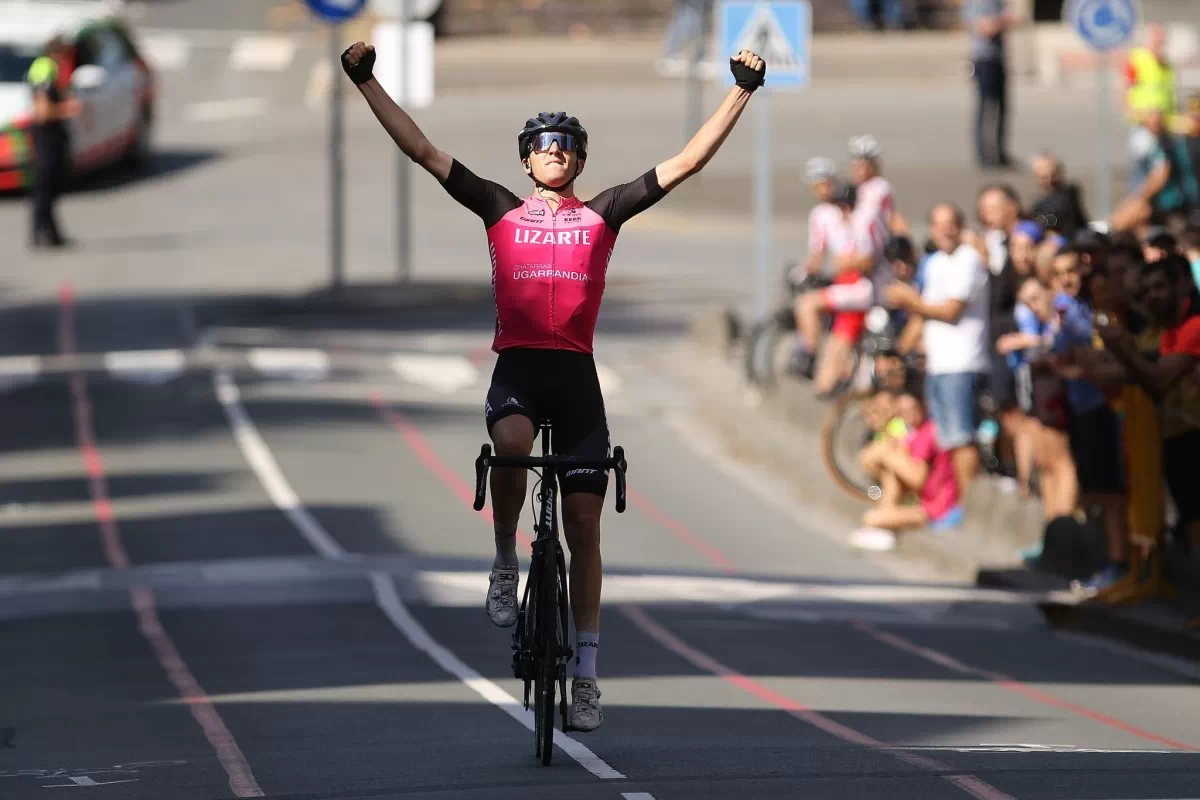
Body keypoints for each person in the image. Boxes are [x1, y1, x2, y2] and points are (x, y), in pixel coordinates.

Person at [341, 41, 766, 731]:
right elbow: (422, 150)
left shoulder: (604, 213)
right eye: (544, 146)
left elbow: (686, 163)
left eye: (567, 147)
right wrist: (366, 82)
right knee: (510, 445)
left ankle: (588, 674)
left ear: (579, 161)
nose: (555, 154)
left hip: (575, 381)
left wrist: (742, 91)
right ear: (526, 160)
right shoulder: (498, 208)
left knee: (586, 530)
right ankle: (507, 555)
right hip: (519, 367)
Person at [885, 204, 990, 495]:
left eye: (951, 223)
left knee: (961, 439)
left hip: (962, 362)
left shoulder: (968, 260)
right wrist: (898, 350)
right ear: (931, 229)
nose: (945, 230)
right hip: (939, 363)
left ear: (960, 226)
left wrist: (908, 300)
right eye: (939, 224)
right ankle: (951, 502)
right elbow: (923, 314)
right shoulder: (934, 263)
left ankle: (968, 506)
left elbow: (950, 311)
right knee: (945, 439)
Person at [1098, 254, 1200, 552]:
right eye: (1146, 292)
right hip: (1177, 435)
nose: (1152, 297)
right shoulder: (1169, 334)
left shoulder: (1193, 327)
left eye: (1159, 287)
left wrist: (1121, 350)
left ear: (1179, 287)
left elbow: (1159, 381)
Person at [850, 389, 963, 552]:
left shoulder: (928, 432)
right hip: (919, 500)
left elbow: (917, 480)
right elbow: (869, 463)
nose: (910, 414)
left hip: (934, 508)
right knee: (889, 475)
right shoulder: (913, 433)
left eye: (913, 408)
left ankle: (885, 530)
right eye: (904, 411)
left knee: (870, 518)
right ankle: (885, 527)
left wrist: (887, 456)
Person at [791, 182, 876, 395]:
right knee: (825, 376)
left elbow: (867, 261)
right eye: (839, 206)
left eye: (846, 205)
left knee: (807, 304)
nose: (843, 210)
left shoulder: (865, 224)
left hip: (859, 289)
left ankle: (807, 356)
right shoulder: (848, 225)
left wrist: (845, 263)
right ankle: (818, 368)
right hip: (847, 288)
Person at [26, 36, 81, 249]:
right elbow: (42, 111)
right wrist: (67, 108)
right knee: (45, 186)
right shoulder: (45, 68)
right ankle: (41, 234)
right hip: (46, 136)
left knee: (51, 185)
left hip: (51, 135)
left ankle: (50, 233)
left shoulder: (50, 68)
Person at [962, 0, 1020, 168]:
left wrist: (1001, 20)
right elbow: (985, 28)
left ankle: (1000, 153)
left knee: (1003, 108)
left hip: (998, 59)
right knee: (985, 108)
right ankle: (983, 155)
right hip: (984, 60)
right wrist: (1002, 20)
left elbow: (1014, 18)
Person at [1124, 23, 1177, 130]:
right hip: (1143, 121)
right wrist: (1143, 115)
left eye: (1162, 42)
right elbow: (1126, 87)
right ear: (1148, 41)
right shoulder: (1137, 59)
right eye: (1157, 41)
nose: (1160, 45)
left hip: (1164, 122)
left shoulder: (1167, 65)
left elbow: (1169, 93)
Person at [1030, 152, 1091, 239]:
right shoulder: (1037, 200)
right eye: (1043, 177)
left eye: (1053, 175)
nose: (1049, 181)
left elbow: (1069, 221)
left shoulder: (1069, 193)